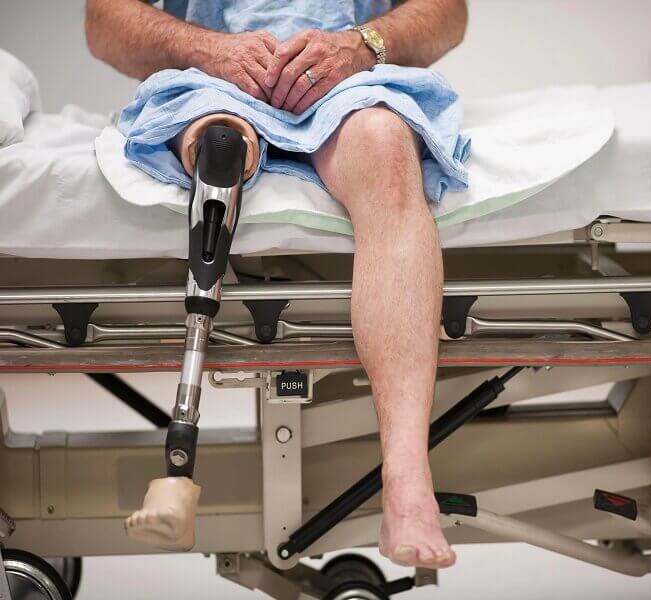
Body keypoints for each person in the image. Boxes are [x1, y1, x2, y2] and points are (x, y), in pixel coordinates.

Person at [85, 0, 468, 569]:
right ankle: (221, 142)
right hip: (214, 84)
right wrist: (209, 48)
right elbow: (103, 21)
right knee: (219, 142)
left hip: (348, 84)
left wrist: (362, 44)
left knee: (387, 151)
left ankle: (408, 484)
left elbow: (448, 12)